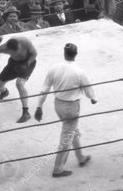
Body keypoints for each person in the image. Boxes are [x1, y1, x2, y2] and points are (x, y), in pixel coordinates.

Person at [35, 43, 96, 177]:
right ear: (76, 54)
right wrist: (93, 98)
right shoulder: (79, 71)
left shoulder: (54, 68)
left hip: (58, 105)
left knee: (71, 131)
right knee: (66, 137)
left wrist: (39, 106)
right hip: (71, 107)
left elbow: (45, 88)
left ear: (64, 53)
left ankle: (80, 157)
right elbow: (88, 88)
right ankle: (58, 169)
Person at [0, 36, 37, 123]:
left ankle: (26, 111)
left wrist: (27, 64)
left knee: (19, 83)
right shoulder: (3, 48)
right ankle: (4, 92)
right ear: (8, 50)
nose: (17, 52)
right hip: (13, 64)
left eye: (18, 49)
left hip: (28, 63)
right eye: (14, 51)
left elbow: (34, 54)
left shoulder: (25, 42)